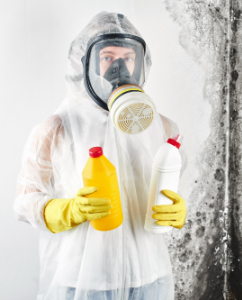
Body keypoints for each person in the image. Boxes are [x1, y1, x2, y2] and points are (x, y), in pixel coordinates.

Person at [14, 12, 188, 300]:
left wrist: (178, 210)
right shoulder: (58, 128)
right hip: (82, 283)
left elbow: (166, 187)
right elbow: (24, 201)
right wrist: (66, 211)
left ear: (140, 63)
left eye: (128, 58)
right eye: (107, 57)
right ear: (86, 62)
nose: (118, 68)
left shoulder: (162, 127)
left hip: (149, 277)